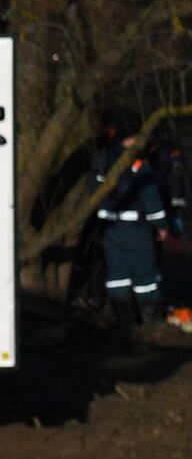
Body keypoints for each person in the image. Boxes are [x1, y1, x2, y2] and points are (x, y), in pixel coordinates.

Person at [93, 126, 168, 324]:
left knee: (118, 274)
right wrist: (161, 225)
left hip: (109, 229)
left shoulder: (103, 160)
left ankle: (123, 322)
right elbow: (150, 197)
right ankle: (151, 321)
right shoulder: (137, 165)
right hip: (135, 230)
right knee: (145, 276)